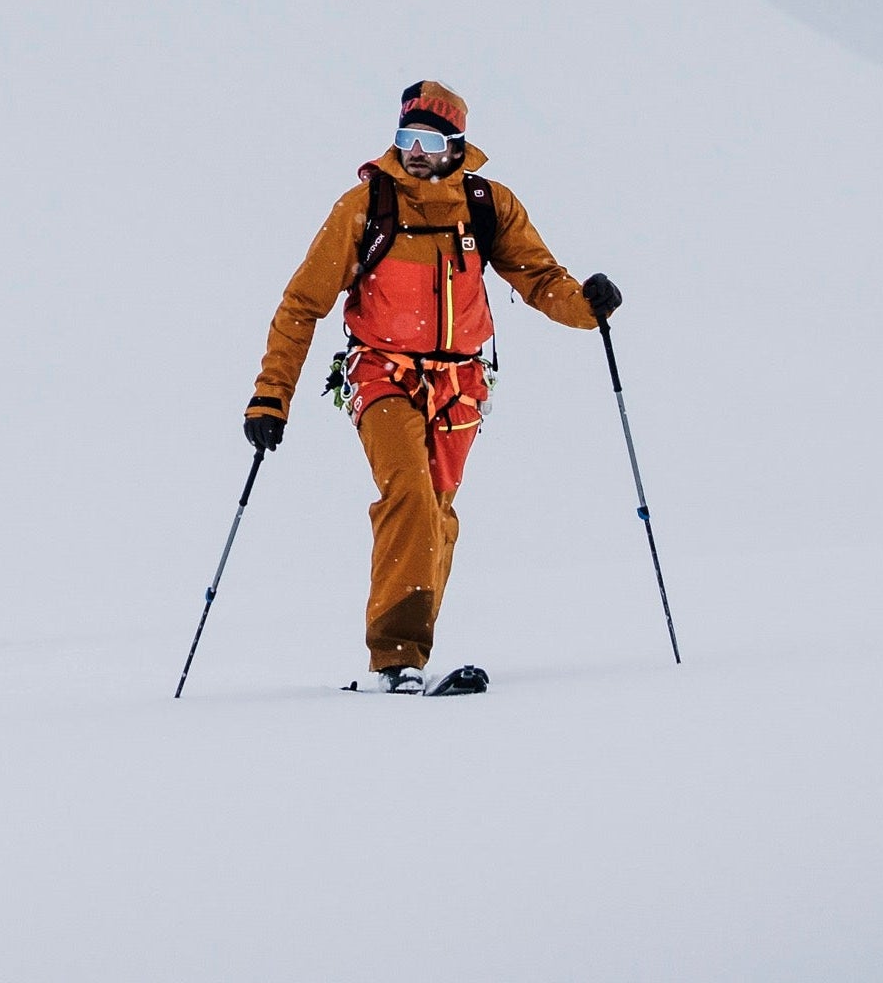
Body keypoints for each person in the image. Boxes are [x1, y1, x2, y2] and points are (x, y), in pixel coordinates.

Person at [245, 79, 620, 694]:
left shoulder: (487, 205)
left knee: (438, 514)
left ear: (458, 145)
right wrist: (271, 396)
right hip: (379, 371)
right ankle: (395, 659)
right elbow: (302, 303)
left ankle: (411, 656)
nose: (415, 152)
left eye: (430, 141)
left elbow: (539, 278)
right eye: (406, 138)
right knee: (411, 497)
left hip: (460, 384)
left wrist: (588, 305)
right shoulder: (365, 206)